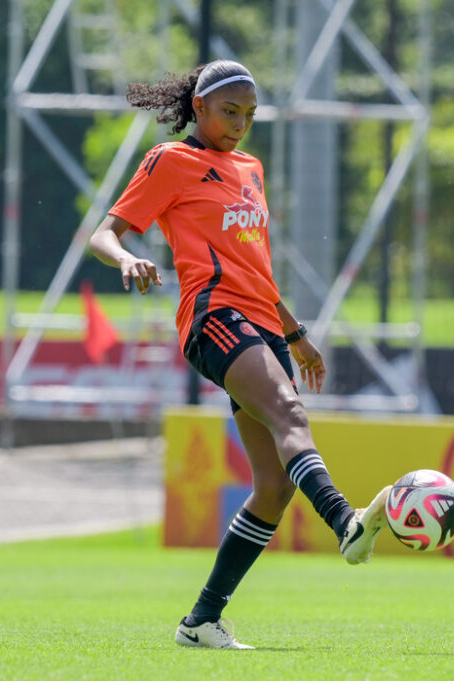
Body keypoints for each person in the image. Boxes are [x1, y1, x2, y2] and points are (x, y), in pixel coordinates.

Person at [88, 59, 390, 650]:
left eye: (250, 115)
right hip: (214, 318)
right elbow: (104, 232)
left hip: (262, 323)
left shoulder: (248, 167)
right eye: (230, 111)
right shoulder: (170, 160)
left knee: (274, 487)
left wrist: (294, 330)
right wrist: (126, 258)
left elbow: (256, 265)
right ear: (198, 107)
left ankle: (201, 621)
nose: (240, 124)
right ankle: (346, 523)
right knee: (290, 415)